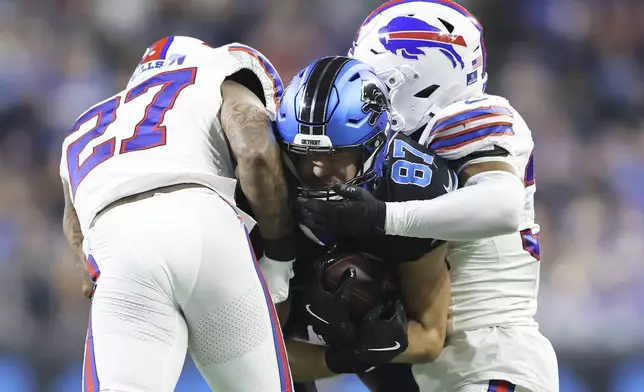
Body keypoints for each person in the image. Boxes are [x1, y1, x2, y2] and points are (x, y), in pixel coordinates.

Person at [298, 1, 559, 392]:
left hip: (486, 359)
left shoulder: (464, 118)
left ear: (415, 76)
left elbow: (501, 205)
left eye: (376, 77)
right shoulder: (382, 148)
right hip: (428, 371)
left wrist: (383, 217)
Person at [60, 36, 294, 392]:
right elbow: (256, 153)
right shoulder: (213, 70)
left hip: (116, 244)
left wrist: (99, 276)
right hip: (205, 222)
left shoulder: (82, 126)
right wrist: (279, 258)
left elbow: (74, 226)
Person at [271, 56, 455, 390]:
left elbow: (429, 336)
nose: (316, 170)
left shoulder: (412, 187)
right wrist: (341, 358)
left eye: (335, 155)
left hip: (382, 320)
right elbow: (263, 351)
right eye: (305, 154)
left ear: (373, 147)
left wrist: (365, 348)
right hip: (289, 316)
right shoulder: (268, 187)